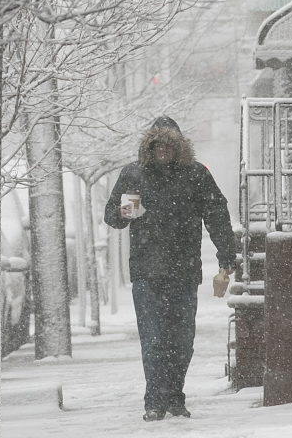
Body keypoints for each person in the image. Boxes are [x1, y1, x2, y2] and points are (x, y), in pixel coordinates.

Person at [104, 116, 238, 421]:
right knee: (153, 340)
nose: (163, 149)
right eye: (157, 145)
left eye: (169, 145)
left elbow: (217, 215)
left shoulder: (196, 175)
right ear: (149, 147)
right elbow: (112, 215)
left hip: (184, 271)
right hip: (146, 272)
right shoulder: (133, 174)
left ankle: (175, 395)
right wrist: (125, 212)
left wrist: (226, 257)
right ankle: (154, 400)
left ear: (179, 147)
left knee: (181, 341)